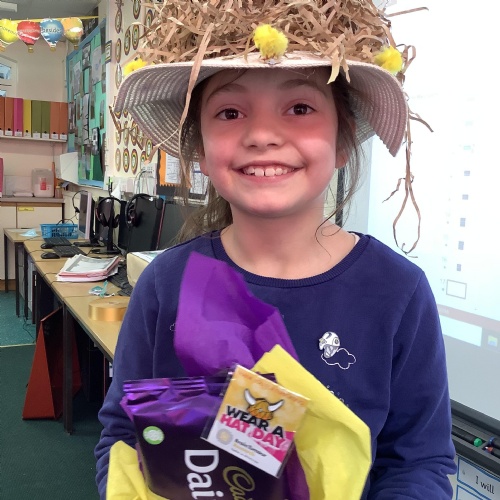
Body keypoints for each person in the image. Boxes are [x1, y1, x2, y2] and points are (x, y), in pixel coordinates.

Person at [95, 1, 457, 498]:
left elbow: (418, 462)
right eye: (229, 112)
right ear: (201, 150)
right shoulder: (167, 282)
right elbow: (123, 434)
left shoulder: (396, 291)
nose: (263, 135)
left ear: (343, 140)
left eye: (300, 108)